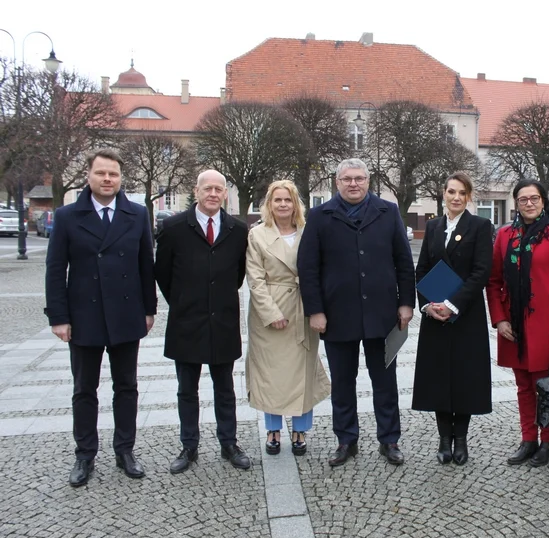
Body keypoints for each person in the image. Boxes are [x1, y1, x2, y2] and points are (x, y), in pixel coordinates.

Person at [45, 149, 157, 487]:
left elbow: (145, 266)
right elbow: (54, 270)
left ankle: (125, 450)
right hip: (84, 316)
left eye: (113, 174)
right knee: (84, 389)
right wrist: (59, 317)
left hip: (125, 314)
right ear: (89, 177)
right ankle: (85, 454)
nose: (107, 179)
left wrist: (149, 309)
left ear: (121, 179)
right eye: (101, 174)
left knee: (127, 387)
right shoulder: (67, 216)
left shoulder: (136, 214)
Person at [298, 158, 415, 467]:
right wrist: (315, 311)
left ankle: (389, 440)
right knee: (343, 382)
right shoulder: (320, 216)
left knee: (385, 382)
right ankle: (346, 440)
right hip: (337, 315)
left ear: (368, 181)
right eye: (347, 179)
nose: (353, 183)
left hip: (383, 313)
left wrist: (406, 303)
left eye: (359, 178)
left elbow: (404, 261)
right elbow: (308, 268)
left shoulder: (387, 212)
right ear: (337, 183)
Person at [154, 169, 251, 473]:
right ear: (195, 191)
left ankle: (229, 443)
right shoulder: (173, 228)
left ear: (225, 194)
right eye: (207, 188)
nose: (213, 194)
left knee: (225, 387)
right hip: (186, 321)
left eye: (218, 189)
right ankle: (189, 445)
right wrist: (183, 302)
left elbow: (238, 275)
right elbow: (163, 274)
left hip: (222, 320)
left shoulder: (237, 230)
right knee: (187, 388)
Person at [486, 178, 549, 468]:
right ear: (516, 203)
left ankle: (548, 441)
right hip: (514, 324)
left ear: (543, 201)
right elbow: (494, 281)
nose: (529, 203)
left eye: (534, 198)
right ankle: (528, 439)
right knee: (524, 386)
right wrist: (499, 319)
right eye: (523, 199)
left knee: (546, 384)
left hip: (548, 323)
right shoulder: (505, 236)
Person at [412, 172, 493, 466]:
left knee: (464, 378)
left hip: (465, 315)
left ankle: (461, 440)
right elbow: (421, 270)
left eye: (462, 193)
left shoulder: (480, 226)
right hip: (435, 316)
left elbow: (481, 272)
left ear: (468, 196)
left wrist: (452, 304)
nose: (456, 197)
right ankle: (444, 439)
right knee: (438, 379)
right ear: (443, 194)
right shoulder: (433, 227)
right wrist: (427, 306)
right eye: (451, 192)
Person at [245, 180, 331, 457]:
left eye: (288, 199)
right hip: (270, 310)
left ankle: (300, 430)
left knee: (304, 371)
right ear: (269, 204)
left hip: (304, 307)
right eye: (277, 200)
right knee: (270, 374)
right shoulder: (257, 235)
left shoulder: (309, 232)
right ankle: (272, 429)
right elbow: (255, 280)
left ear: (296, 204)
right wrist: (271, 313)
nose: (283, 204)